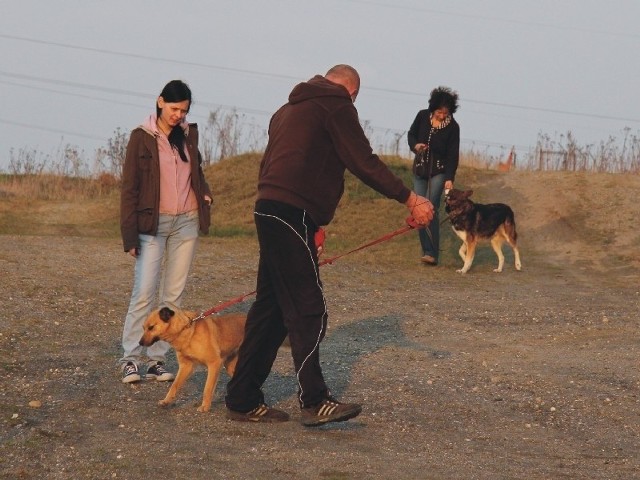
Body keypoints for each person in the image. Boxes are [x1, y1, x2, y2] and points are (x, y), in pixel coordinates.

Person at [224, 64, 434, 426]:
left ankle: (242, 398)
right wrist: (409, 198)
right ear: (352, 92)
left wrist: (312, 223)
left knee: (271, 309)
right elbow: (361, 160)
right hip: (290, 213)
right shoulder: (337, 105)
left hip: (270, 209)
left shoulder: (286, 110)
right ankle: (315, 400)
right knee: (308, 308)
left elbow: (276, 164)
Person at [119, 80, 212, 383]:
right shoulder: (141, 137)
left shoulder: (188, 134)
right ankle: (131, 358)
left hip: (186, 221)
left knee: (172, 298)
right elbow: (129, 189)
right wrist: (129, 235)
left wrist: (205, 194)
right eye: (174, 108)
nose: (177, 115)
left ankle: (156, 360)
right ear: (160, 102)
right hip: (151, 224)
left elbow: (196, 172)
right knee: (144, 292)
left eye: (183, 110)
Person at [407, 86, 460, 266]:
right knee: (419, 207)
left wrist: (449, 178)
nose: (442, 115)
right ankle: (426, 250)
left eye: (445, 113)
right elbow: (411, 135)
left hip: (439, 171)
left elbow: (453, 155)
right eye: (439, 112)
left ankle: (432, 252)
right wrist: (416, 146)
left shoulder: (453, 128)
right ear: (433, 108)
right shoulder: (422, 116)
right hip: (420, 170)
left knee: (431, 206)